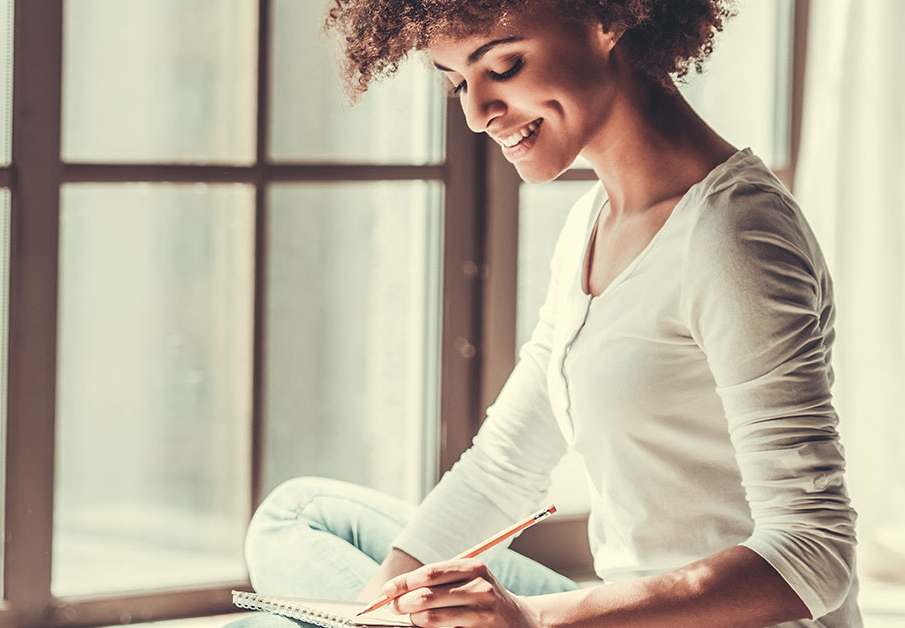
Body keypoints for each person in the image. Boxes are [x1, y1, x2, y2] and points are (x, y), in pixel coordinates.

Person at [226, 0, 859, 626]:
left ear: (609, 17)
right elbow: (502, 468)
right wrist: (380, 612)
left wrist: (531, 619)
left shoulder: (734, 234)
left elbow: (814, 556)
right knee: (297, 515)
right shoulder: (593, 223)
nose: (476, 114)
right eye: (457, 82)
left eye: (503, 65)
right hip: (634, 607)